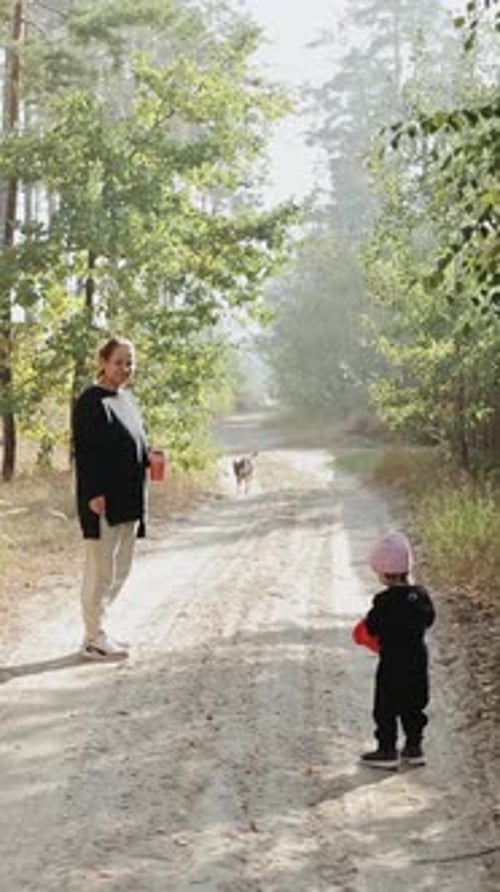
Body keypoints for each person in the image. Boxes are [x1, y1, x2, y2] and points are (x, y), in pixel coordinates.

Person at [72, 337, 149, 659]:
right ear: (103, 361)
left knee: (121, 568)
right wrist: (93, 494)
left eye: (129, 362)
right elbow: (86, 453)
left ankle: (100, 629)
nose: (125, 369)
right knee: (100, 571)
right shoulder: (91, 401)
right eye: (118, 362)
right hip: (103, 500)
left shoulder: (126, 399)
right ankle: (93, 638)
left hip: (130, 498)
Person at [353, 531, 435, 769]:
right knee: (414, 706)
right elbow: (429, 620)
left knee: (386, 707)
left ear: (383, 573)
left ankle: (387, 750)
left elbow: (372, 627)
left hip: (392, 664)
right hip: (418, 662)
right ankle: (414, 747)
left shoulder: (383, 601)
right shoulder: (421, 596)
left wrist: (368, 628)